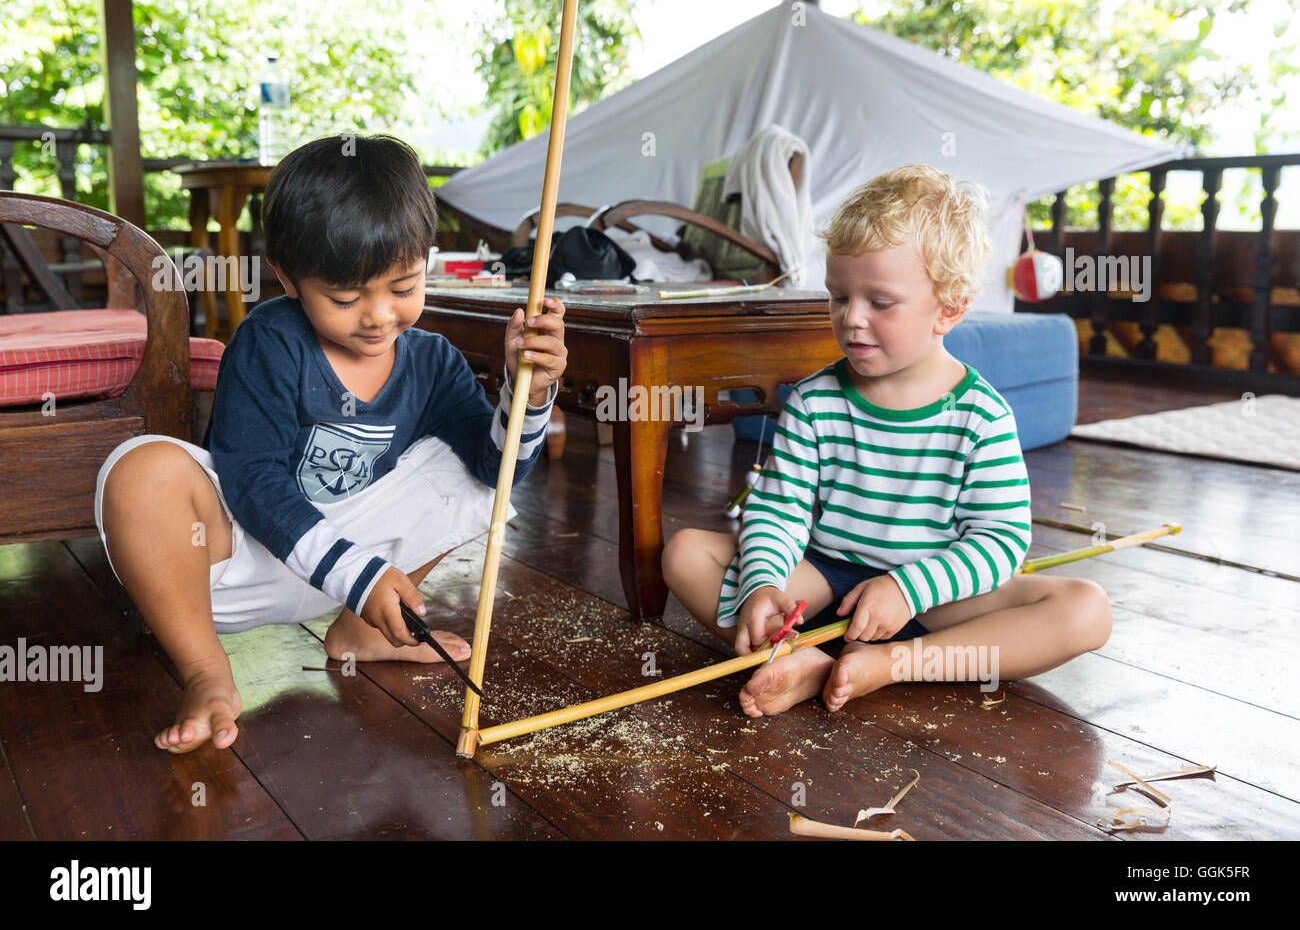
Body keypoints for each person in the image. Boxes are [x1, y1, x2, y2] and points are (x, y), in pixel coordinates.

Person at [95, 134, 567, 753]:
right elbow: (253, 482)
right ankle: (207, 670)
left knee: (476, 471)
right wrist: (359, 574)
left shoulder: (434, 362)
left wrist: (528, 393)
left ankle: (358, 634)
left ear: (427, 258)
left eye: (403, 288)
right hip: (233, 565)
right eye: (345, 298)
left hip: (351, 577)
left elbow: (495, 472)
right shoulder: (270, 341)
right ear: (287, 278)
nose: (377, 316)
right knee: (139, 469)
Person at [662, 164, 1111, 718]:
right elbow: (778, 512)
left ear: (948, 308)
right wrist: (762, 586)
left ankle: (889, 665)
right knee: (685, 552)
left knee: (1087, 610)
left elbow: (1001, 541)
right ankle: (801, 656)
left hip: (935, 598)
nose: (851, 319)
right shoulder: (813, 400)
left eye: (880, 302)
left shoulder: (981, 415)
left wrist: (908, 588)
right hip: (826, 580)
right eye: (838, 296)